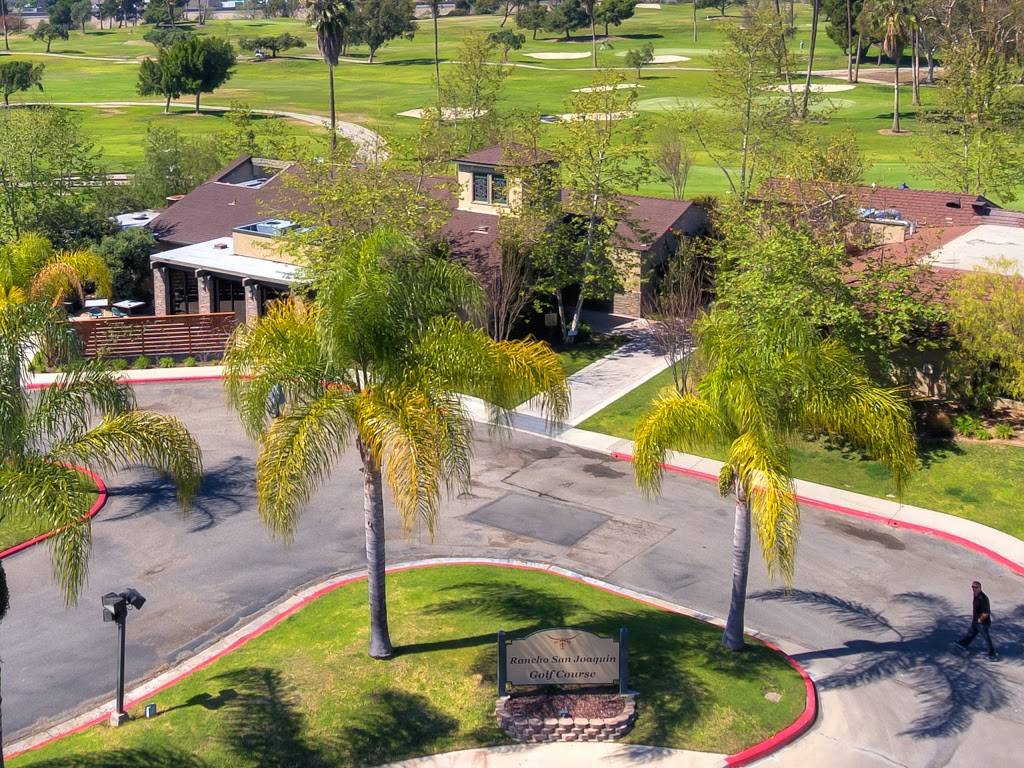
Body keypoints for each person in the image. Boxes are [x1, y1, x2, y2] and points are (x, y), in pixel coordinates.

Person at [956, 581, 997, 659]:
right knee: (971, 633)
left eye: (975, 587)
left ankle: (992, 653)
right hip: (975, 620)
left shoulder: (983, 598)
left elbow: (986, 612)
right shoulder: (975, 595)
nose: (974, 589)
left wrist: (979, 619)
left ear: (980, 588)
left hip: (982, 622)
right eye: (972, 587)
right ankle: (964, 644)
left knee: (986, 637)